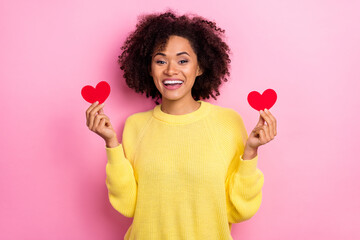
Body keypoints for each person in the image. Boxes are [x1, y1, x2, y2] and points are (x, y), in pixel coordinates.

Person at [85, 9, 277, 240]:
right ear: (149, 68)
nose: (170, 70)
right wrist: (111, 144)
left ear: (200, 67)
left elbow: (239, 210)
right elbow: (129, 206)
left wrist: (250, 151)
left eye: (183, 60)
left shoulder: (228, 123)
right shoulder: (136, 125)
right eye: (160, 60)